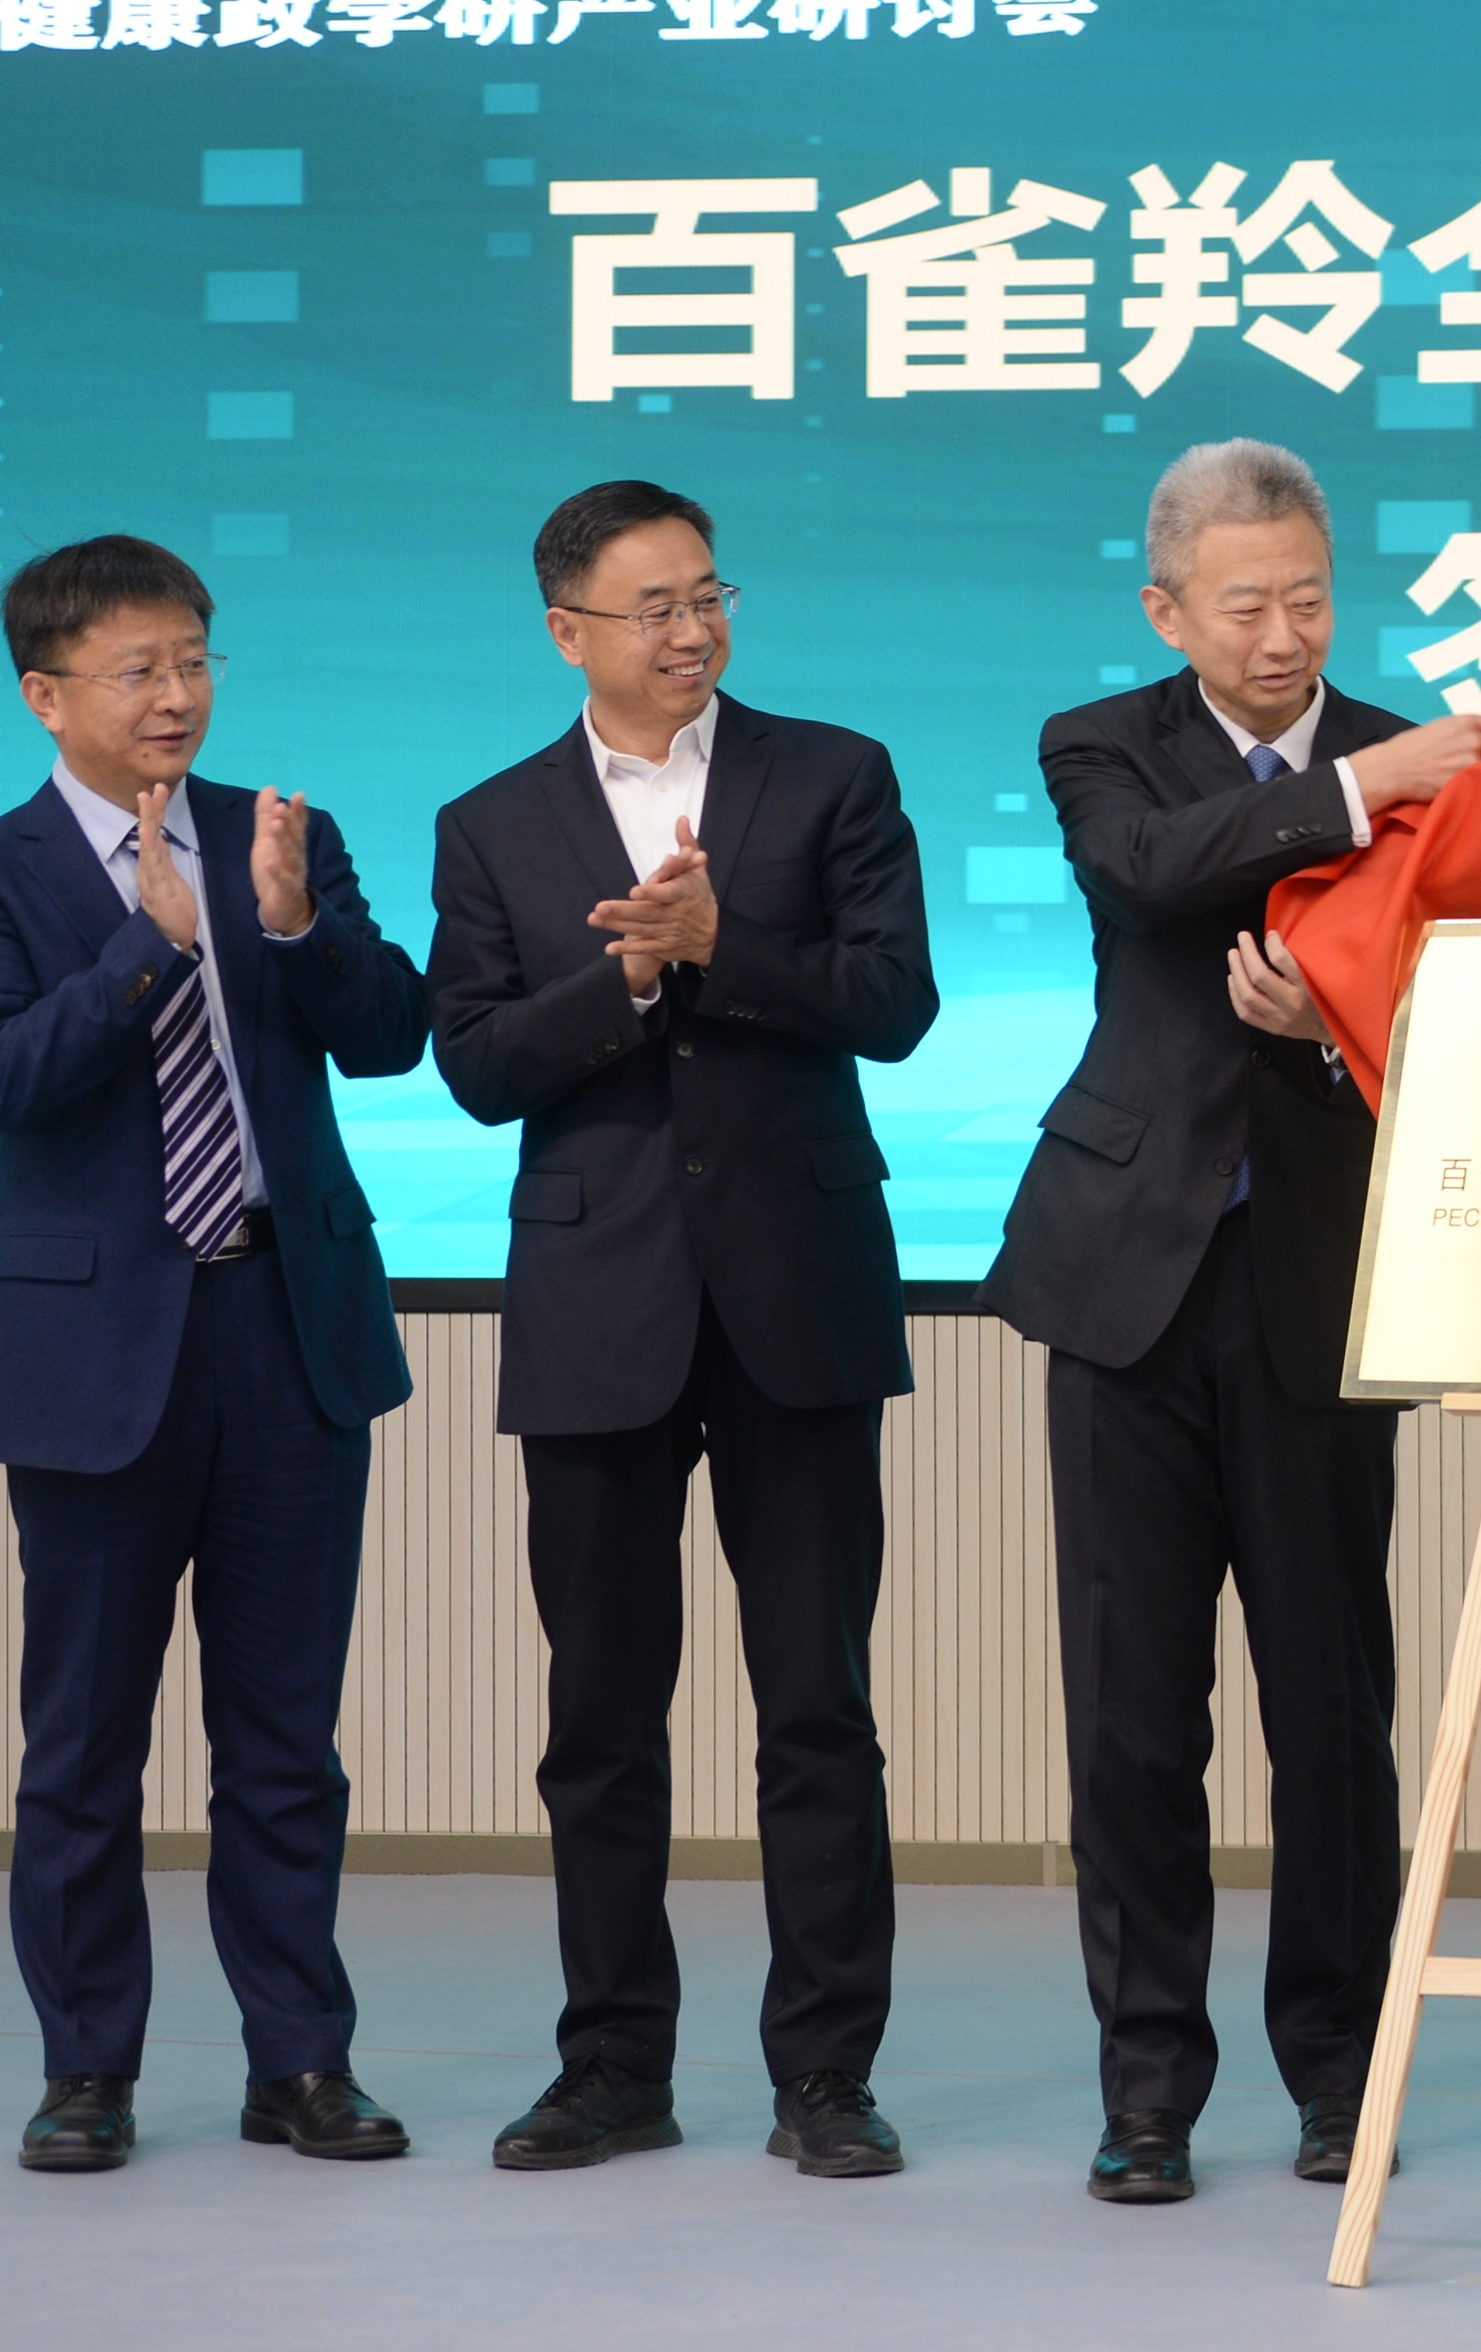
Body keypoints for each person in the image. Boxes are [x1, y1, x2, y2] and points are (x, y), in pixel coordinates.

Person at [980, 439, 1481, 2205]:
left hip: (1321, 1283)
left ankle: (1343, 2075)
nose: (1283, 638)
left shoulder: (1426, 762)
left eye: (1309, 601)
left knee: (1331, 1709)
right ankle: (1147, 2093)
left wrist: (1335, 1035)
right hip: (1125, 1285)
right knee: (1134, 1716)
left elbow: (1470, 1019)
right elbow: (1148, 873)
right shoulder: (1103, 744)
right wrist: (1355, 797)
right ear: (1168, 610)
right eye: (1245, 607)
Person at [426, 480, 938, 2179]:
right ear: (566, 630)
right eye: (652, 606)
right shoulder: (492, 822)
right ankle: (612, 2069)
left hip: (800, 1288)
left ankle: (827, 2078)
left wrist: (729, 945)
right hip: (598, 1304)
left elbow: (897, 1006)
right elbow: (477, 1064)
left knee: (818, 1709)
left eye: (709, 594)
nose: (692, 629)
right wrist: (631, 981)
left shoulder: (834, 774)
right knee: (600, 1721)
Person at [3, 536, 428, 2174]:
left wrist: (297, 926)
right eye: (139, 670)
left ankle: (300, 2060)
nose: (177, 695)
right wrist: (143, 953)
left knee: (283, 1739)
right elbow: (13, 1082)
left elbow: (388, 1036)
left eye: (195, 660)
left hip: (282, 1328)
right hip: (95, 1356)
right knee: (82, 1744)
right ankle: (87, 2068)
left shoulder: (279, 833)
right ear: (46, 696)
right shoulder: (8, 870)